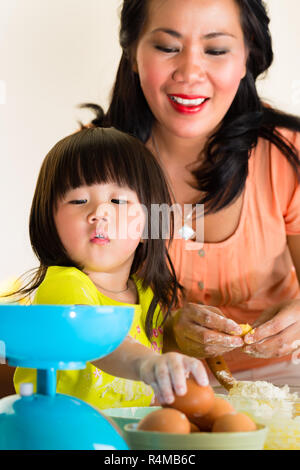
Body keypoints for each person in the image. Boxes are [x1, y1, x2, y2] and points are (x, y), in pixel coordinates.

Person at [82, 0, 300, 384]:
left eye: (216, 50)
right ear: (132, 52)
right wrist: (168, 331)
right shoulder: (89, 164)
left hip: (282, 379)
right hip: (141, 384)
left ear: (247, 55)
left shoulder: (287, 155)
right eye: (167, 47)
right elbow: (83, 309)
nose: (190, 73)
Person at [12, 127, 209, 408]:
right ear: (49, 219)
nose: (99, 213)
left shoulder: (147, 292)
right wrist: (148, 363)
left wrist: (185, 332)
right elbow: (96, 343)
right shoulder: (63, 284)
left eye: (118, 201)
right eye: (79, 200)